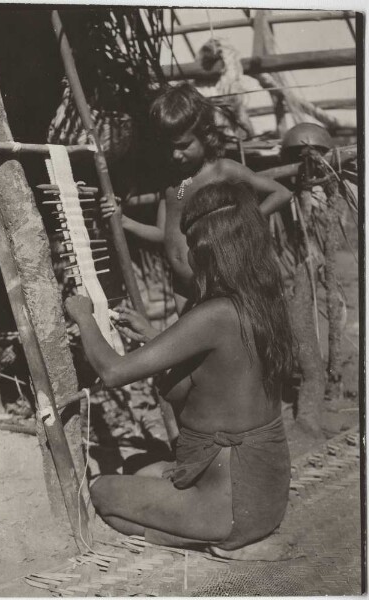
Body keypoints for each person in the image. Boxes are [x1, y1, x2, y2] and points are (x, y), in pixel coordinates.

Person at [65, 180, 293, 555]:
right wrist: (155, 336)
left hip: (233, 506)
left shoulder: (214, 314)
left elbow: (113, 373)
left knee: (102, 493)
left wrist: (83, 317)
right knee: (142, 470)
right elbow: (221, 362)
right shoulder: (262, 301)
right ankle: (204, 526)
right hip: (264, 494)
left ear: (209, 254)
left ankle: (209, 535)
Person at [101, 83, 292, 310]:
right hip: (182, 287)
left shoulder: (222, 170)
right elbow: (163, 233)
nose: (175, 155)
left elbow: (281, 192)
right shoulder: (173, 184)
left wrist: (244, 219)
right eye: (169, 147)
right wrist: (124, 221)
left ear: (206, 135)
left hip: (219, 284)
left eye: (184, 146)